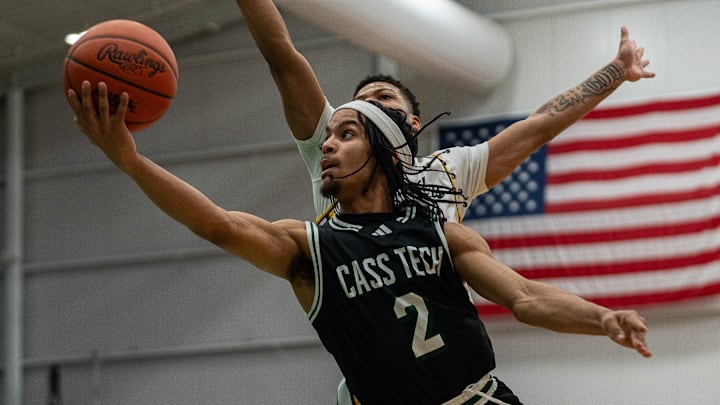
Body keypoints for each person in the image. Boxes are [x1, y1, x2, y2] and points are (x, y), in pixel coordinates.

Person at [68, 81, 652, 404]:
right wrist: (129, 159)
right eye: (327, 137)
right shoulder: (309, 247)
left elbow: (525, 297)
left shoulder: (442, 231)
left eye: (345, 135)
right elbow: (217, 223)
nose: (326, 146)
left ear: (383, 152)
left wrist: (599, 318)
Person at [234, 0, 654, 223]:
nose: (370, 111)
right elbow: (284, 60)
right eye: (360, 107)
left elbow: (537, 127)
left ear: (413, 124)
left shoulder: (449, 169)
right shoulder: (329, 154)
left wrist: (615, 72)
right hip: (369, 366)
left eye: (382, 99)